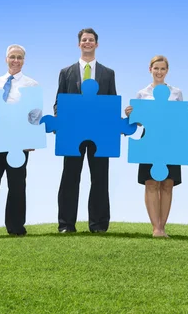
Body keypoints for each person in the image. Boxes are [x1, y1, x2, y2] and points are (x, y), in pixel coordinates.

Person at [0, 44, 41, 238]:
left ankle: (16, 227)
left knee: (17, 183)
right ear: (6, 59)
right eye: (12, 57)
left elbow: (35, 114)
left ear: (24, 61)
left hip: (19, 137)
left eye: (19, 57)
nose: (16, 60)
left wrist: (32, 138)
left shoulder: (32, 85)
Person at [124, 55, 188, 238]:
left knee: (168, 184)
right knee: (151, 182)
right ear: (150, 69)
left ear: (167, 71)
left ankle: (163, 227)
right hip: (150, 141)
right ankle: (155, 228)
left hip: (171, 141)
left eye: (163, 69)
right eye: (156, 68)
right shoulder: (142, 93)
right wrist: (130, 113)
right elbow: (138, 124)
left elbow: (181, 121)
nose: (159, 72)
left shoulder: (176, 93)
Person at [54, 28, 117, 233]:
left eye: (91, 40)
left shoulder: (108, 73)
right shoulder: (66, 72)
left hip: (100, 134)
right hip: (73, 132)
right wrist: (59, 120)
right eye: (84, 40)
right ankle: (66, 224)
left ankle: (98, 225)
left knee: (100, 178)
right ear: (78, 44)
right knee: (70, 177)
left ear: (96, 44)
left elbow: (111, 102)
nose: (87, 43)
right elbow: (59, 102)